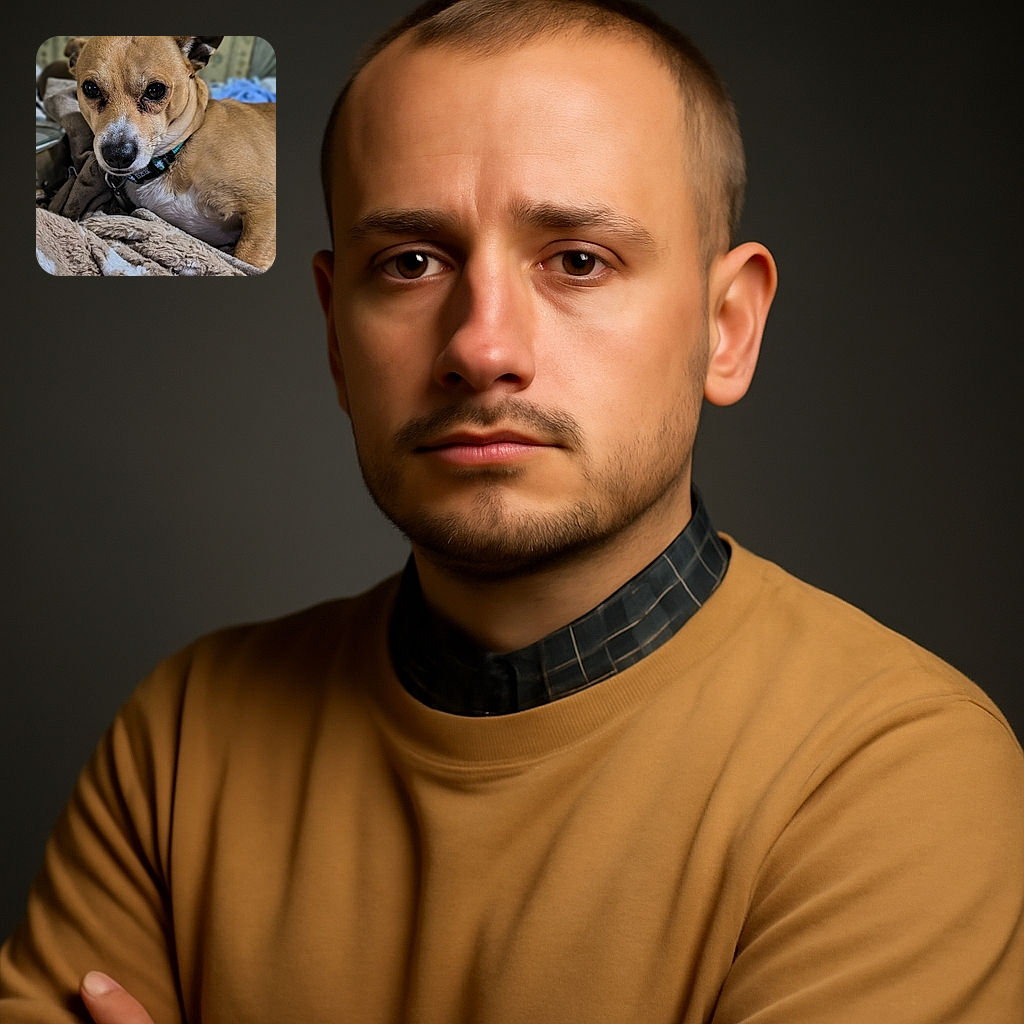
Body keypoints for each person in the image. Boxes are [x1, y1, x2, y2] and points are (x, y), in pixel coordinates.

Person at [3, 1, 1022, 1021]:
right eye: (410, 262)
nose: (482, 345)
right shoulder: (183, 740)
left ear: (726, 328)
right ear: (334, 339)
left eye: (577, 259)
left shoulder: (900, 774)